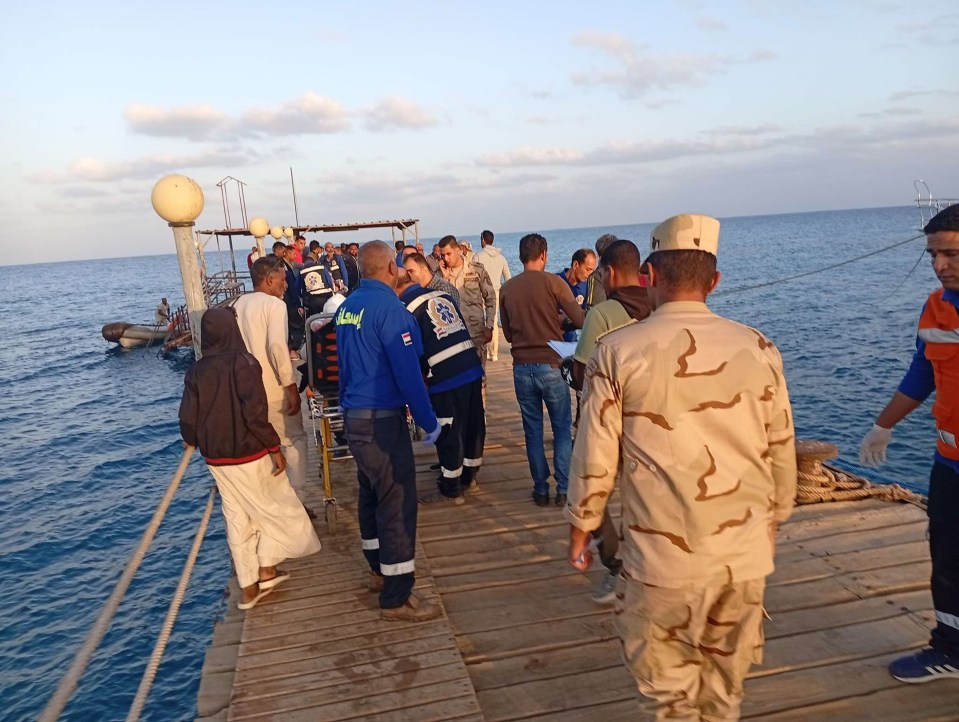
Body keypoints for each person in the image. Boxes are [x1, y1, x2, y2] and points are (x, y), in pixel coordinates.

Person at [565, 214, 796, 721]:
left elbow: (594, 457)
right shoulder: (759, 348)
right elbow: (781, 450)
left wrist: (582, 529)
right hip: (744, 559)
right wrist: (773, 523)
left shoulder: (618, 352)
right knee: (725, 691)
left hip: (660, 562)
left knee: (668, 697)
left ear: (648, 275)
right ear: (715, 282)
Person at [860, 203, 959, 683]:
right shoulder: (935, 306)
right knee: (948, 561)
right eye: (934, 255)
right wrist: (884, 424)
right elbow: (922, 372)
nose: (941, 265)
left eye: (952, 254)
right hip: (950, 465)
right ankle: (951, 648)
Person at [179, 308, 321, 610]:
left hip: (217, 460)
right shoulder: (244, 364)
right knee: (280, 508)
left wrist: (191, 440)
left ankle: (248, 585)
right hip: (250, 453)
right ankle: (267, 566)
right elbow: (254, 415)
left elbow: (188, 420)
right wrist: (273, 448)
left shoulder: (196, 371)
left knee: (237, 518)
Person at [335, 240, 443, 622]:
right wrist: (430, 423)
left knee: (371, 495)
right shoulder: (391, 312)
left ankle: (378, 571)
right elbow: (409, 375)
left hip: (355, 416)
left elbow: (344, 367)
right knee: (396, 503)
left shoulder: (346, 308)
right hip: (382, 420)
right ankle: (398, 596)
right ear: (391, 268)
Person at [566, 239, 651, 605]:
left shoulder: (601, 313)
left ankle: (616, 564)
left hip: (609, 419)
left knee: (595, 491)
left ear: (610, 272)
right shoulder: (660, 307)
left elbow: (582, 368)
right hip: (652, 422)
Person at [499, 233, 585, 507]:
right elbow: (580, 319)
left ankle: (540, 488)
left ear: (522, 256)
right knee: (561, 429)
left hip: (522, 368)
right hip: (552, 364)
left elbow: (509, 335)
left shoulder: (508, 288)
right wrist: (558, 320)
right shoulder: (555, 283)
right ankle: (563, 488)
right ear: (544, 255)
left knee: (532, 430)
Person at [396, 270, 485, 505]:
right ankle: (470, 475)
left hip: (445, 375)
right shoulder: (441, 295)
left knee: (449, 429)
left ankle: (451, 487)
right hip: (471, 366)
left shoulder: (405, 308)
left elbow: (413, 349)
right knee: (472, 422)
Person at [233, 257, 311, 516]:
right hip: (272, 387)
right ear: (269, 280)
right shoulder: (274, 306)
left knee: (265, 445)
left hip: (246, 391)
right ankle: (296, 504)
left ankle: (273, 503)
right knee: (294, 440)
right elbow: (277, 347)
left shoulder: (237, 304)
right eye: (282, 278)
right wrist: (290, 387)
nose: (286, 284)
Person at [437, 235, 495, 363]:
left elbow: (490, 298)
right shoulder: (439, 275)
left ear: (458, 249)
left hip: (476, 333)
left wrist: (489, 326)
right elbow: (437, 303)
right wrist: (444, 279)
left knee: (480, 378)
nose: (446, 258)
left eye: (448, 254)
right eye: (442, 255)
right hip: (453, 336)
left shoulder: (476, 269)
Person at [474, 230, 512, 362]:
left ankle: (482, 349)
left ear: (483, 240)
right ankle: (494, 353)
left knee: (480, 320)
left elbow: (473, 275)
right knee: (493, 322)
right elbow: (508, 278)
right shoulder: (501, 258)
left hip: (480, 291)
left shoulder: (478, 256)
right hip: (496, 292)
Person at [556, 249, 597, 341]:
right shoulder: (555, 281)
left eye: (592, 271)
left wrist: (567, 321)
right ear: (575, 265)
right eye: (588, 269)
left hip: (570, 339)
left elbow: (586, 319)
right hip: (552, 336)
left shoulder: (587, 287)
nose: (590, 274)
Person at [584, 233, 619, 311]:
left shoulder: (597, 276)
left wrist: (566, 319)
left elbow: (592, 310)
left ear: (599, 256)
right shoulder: (626, 271)